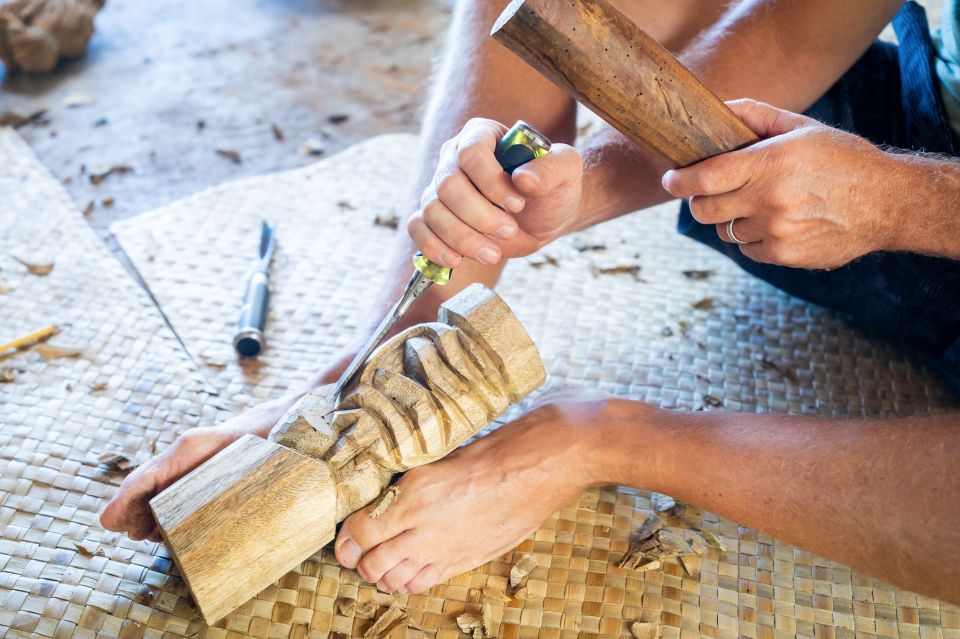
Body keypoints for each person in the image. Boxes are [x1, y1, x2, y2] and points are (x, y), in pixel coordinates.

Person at [101, 0, 960, 604]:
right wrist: (565, 192)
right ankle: (395, 374)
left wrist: (893, 201)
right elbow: (796, 26)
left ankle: (601, 436)